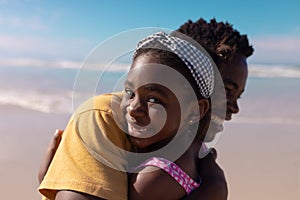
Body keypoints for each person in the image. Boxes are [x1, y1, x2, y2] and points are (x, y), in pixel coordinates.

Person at [39, 18, 254, 199]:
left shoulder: (187, 149)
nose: (234, 107)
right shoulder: (103, 115)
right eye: (226, 89)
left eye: (238, 95)